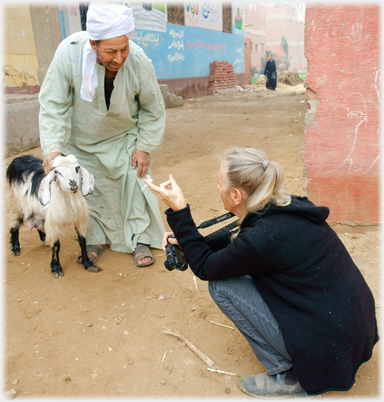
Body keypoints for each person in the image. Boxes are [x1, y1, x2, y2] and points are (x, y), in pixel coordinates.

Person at [143, 147, 378, 398]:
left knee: (222, 287)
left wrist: (180, 212)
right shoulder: (285, 205)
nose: (218, 188)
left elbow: (206, 267)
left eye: (219, 184)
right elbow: (237, 240)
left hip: (328, 350)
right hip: (353, 333)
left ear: (235, 195)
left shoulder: (262, 239)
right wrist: (189, 241)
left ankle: (286, 375)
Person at [38, 2, 166, 268]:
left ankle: (139, 238)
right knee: (89, 192)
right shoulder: (68, 53)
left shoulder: (139, 60)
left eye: (124, 48)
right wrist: (53, 148)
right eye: (110, 50)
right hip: (82, 142)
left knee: (134, 185)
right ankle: (94, 238)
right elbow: (53, 105)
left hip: (124, 138)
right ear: (93, 43)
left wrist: (143, 146)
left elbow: (153, 107)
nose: (118, 58)